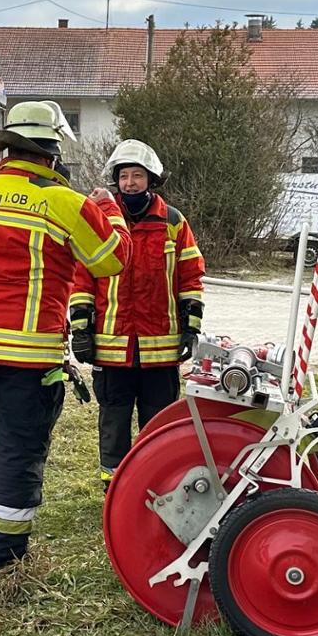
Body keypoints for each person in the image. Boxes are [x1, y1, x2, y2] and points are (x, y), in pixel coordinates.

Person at [0, 102, 131, 575]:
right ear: (52, 152)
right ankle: (2, 563)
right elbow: (112, 259)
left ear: (7, 148)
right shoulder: (68, 203)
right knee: (17, 451)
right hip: (29, 355)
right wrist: (110, 208)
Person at [68, 140, 205, 487]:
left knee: (158, 421)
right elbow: (82, 277)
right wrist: (81, 330)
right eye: (124, 176)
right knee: (113, 419)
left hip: (161, 350)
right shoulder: (102, 221)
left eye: (137, 176)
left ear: (151, 179)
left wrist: (191, 327)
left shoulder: (173, 222)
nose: (130, 183)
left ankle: (156, 480)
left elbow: (190, 275)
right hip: (111, 348)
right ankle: (114, 487)